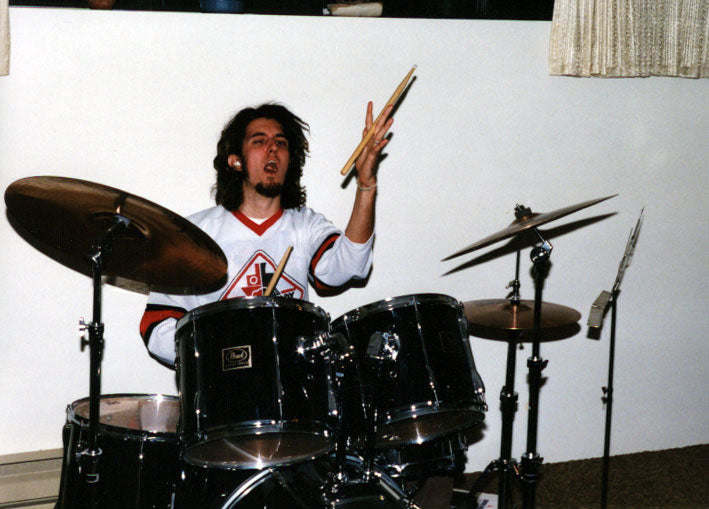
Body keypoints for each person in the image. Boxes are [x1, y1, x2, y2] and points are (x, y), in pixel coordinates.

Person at [139, 101, 393, 367]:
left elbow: (350, 265)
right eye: (259, 141)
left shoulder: (305, 225)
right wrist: (217, 356)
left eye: (281, 143)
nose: (273, 148)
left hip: (293, 387)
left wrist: (366, 184)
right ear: (236, 161)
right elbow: (156, 325)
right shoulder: (196, 234)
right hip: (224, 393)